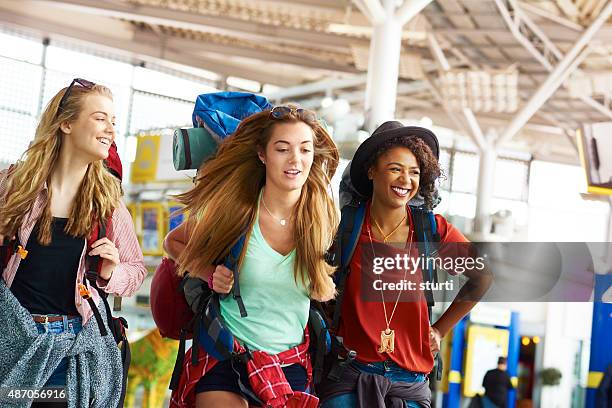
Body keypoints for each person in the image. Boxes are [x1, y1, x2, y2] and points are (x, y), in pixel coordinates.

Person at [164, 105, 339, 408]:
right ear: (262, 154)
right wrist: (208, 273)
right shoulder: (236, 209)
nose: (295, 159)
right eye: (282, 149)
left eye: (305, 149)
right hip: (226, 355)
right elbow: (174, 242)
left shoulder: (324, 218)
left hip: (290, 363)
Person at [319, 121, 492, 408]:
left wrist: (440, 329)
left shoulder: (432, 230)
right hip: (349, 378)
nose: (405, 179)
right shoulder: (342, 226)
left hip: (409, 386)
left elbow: (482, 277)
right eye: (395, 169)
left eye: (414, 172)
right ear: (371, 170)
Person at [0, 78, 146, 407]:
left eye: (113, 121)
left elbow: (135, 272)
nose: (110, 128)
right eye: (100, 118)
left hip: (68, 349)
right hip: (10, 338)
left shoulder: (107, 204)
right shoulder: (13, 186)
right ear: (66, 123)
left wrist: (112, 272)